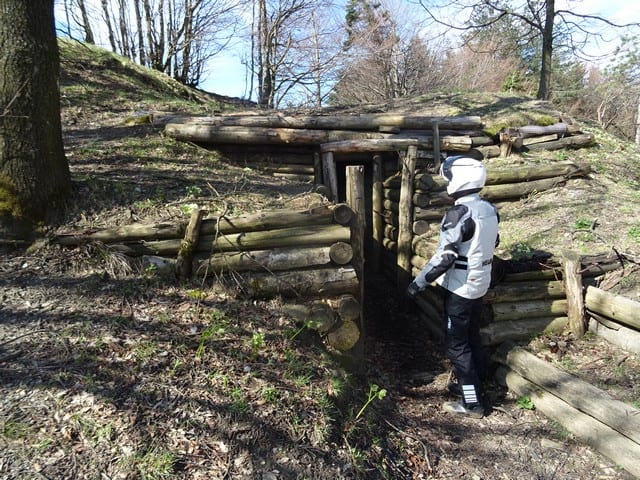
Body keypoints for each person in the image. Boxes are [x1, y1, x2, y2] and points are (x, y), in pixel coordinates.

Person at [407, 156, 499, 418]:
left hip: (460, 288)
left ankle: (472, 403)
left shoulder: (458, 214)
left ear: (459, 180)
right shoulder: (489, 210)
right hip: (480, 282)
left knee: (457, 345)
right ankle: (476, 383)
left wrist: (418, 283)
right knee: (471, 336)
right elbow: (494, 241)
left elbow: (444, 257)